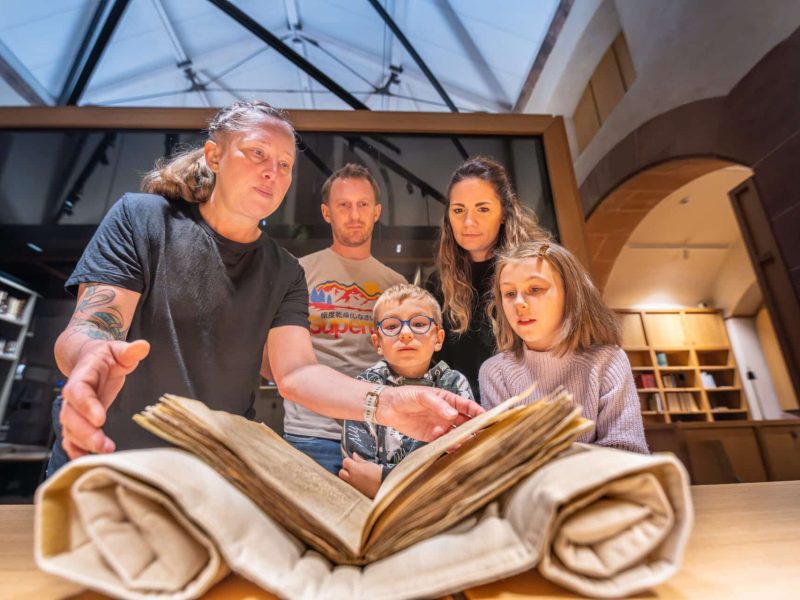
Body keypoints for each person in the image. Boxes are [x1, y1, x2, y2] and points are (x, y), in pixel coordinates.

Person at [49, 100, 482, 475]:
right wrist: (92, 357)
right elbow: (92, 325)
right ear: (214, 156)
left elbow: (296, 374)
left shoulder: (283, 270)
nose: (271, 172)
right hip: (105, 459)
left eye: (284, 165)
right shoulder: (142, 219)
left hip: (211, 477)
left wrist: (389, 404)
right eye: (257, 153)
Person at [281, 163, 406, 474]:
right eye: (343, 205)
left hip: (376, 435)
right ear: (327, 213)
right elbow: (272, 355)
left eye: (362, 204)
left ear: (376, 211)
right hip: (309, 434)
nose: (354, 214)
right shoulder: (298, 272)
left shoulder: (397, 284)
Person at [479, 241, 648, 454]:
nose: (519, 303)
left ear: (571, 294)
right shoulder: (495, 372)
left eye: (535, 289)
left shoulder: (608, 360)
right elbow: (502, 460)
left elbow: (627, 451)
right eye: (509, 293)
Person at [425, 156, 550, 402]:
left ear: (504, 212)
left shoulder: (537, 271)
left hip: (529, 410)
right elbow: (436, 363)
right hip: (465, 418)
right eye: (459, 210)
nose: (468, 222)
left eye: (483, 209)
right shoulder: (438, 283)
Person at [340, 284, 473, 497]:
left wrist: (384, 479)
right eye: (392, 327)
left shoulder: (455, 385)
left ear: (438, 339)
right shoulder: (364, 386)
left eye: (419, 324)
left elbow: (463, 465)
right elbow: (359, 471)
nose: (405, 334)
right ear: (378, 343)